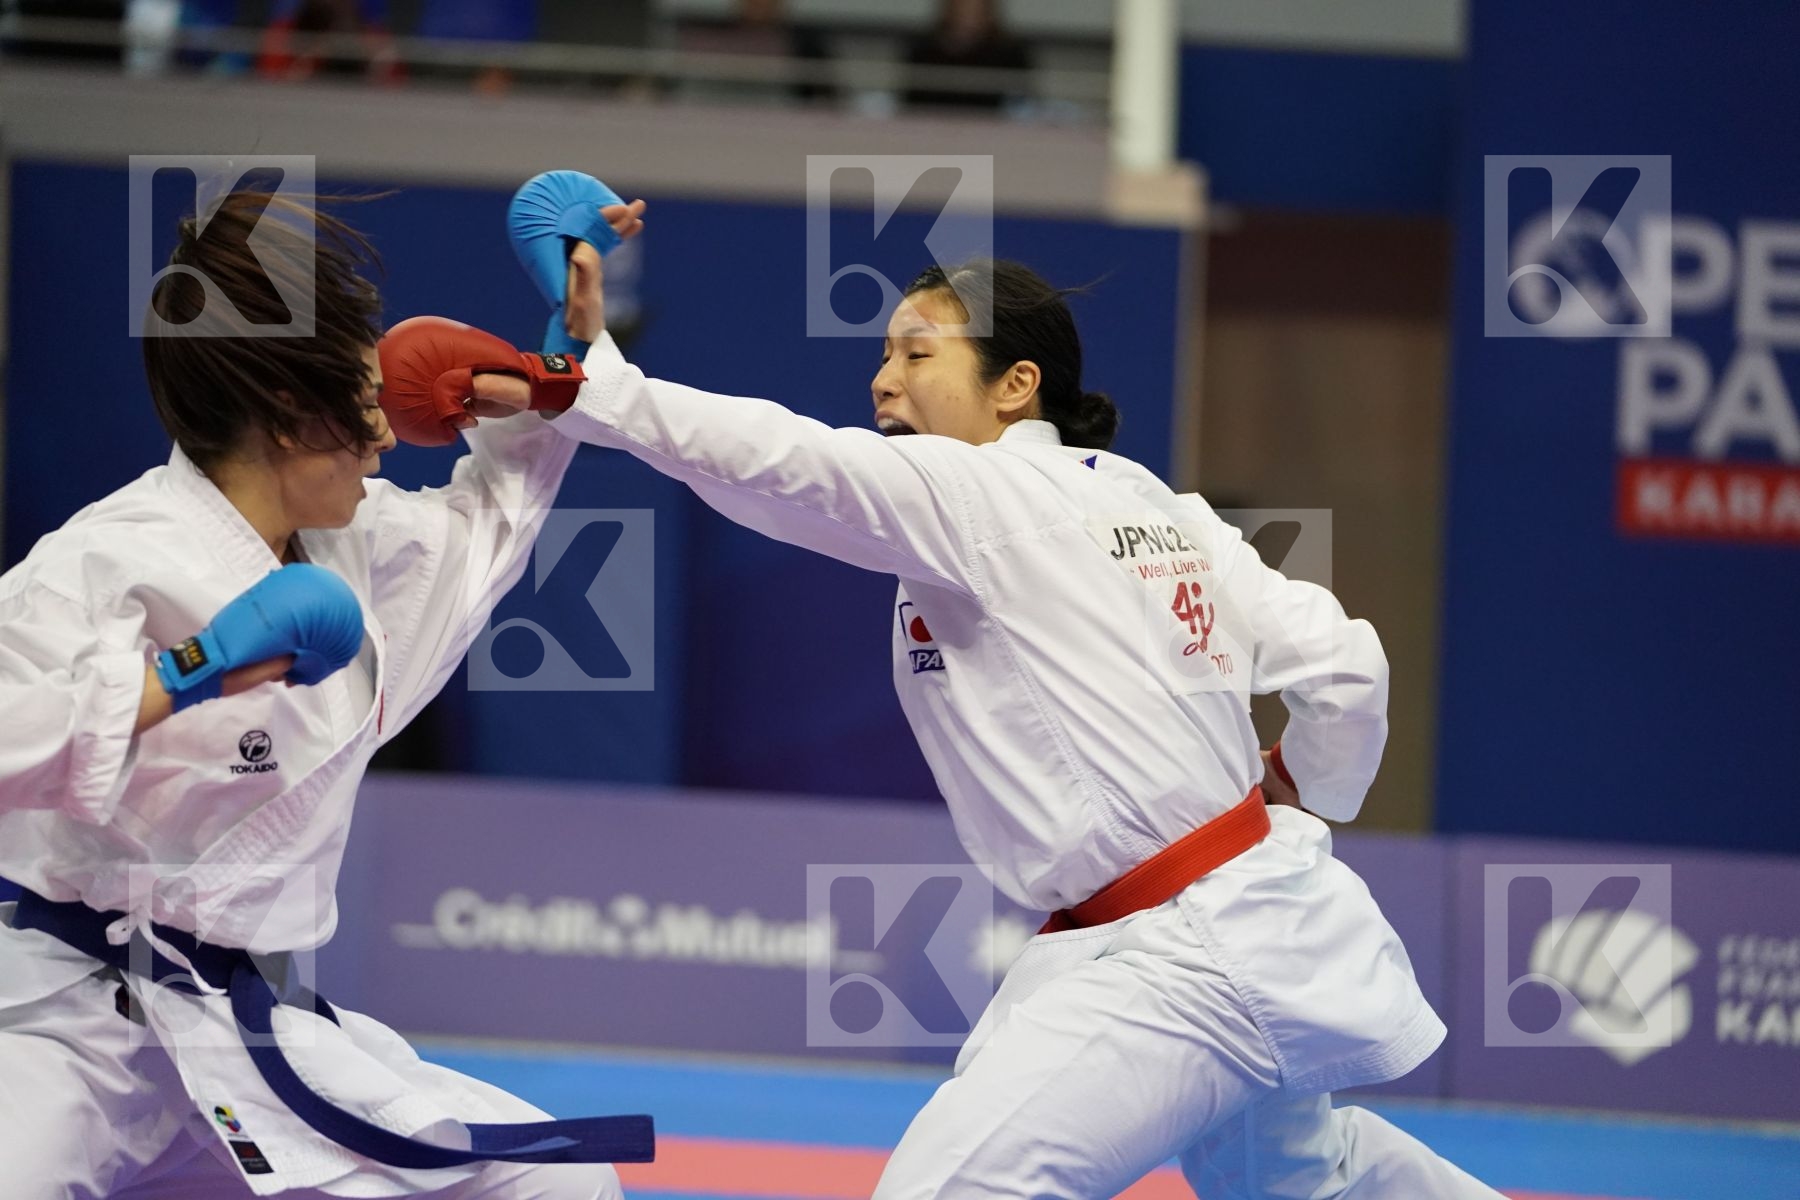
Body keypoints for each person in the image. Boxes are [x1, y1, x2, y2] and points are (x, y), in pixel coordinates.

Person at [512, 243, 1507, 1198]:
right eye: (882, 355)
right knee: (1307, 1183)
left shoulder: (981, 491)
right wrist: (1303, 786)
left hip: (1183, 959)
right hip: (1243, 918)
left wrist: (592, 382)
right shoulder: (1156, 503)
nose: (882, 380)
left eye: (917, 354)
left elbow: (782, 460)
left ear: (1015, 386)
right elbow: (1346, 666)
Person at [0, 187, 648, 1198]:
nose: (387, 433)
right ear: (290, 416)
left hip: (250, 1038)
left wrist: (556, 356)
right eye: (363, 401)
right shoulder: (104, 562)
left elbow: (489, 521)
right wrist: (182, 675)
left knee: (563, 1187)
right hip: (70, 1026)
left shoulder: (357, 546)